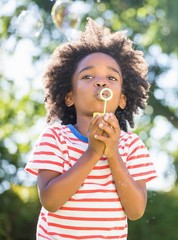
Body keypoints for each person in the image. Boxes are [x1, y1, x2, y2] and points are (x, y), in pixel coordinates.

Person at [25, 18, 157, 239]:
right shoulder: (55, 138)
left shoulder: (132, 146)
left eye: (111, 77)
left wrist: (113, 153)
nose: (100, 82)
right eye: (88, 76)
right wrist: (93, 152)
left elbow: (135, 211)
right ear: (69, 96)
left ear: (122, 99)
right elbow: (50, 201)